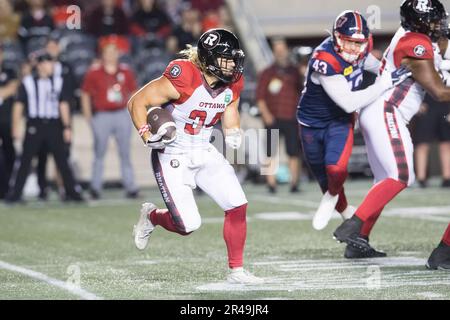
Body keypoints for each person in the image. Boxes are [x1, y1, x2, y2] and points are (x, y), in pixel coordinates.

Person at [128, 28, 263, 284]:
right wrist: (147, 135)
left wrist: (233, 131)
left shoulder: (233, 82)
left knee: (237, 204)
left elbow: (230, 106)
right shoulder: (184, 76)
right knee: (187, 226)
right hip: (172, 152)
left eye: (235, 58)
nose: (233, 64)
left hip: (204, 147)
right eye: (227, 58)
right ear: (210, 58)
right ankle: (152, 216)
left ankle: (237, 270)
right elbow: (136, 102)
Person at [333, 0, 450, 259]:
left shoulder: (410, 36)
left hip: (378, 111)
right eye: (434, 20)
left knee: (383, 180)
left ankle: (358, 241)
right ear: (420, 21)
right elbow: (440, 92)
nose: (438, 24)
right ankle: (352, 226)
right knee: (401, 176)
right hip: (387, 110)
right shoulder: (415, 42)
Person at [297, 9, 411, 258]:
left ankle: (333, 197)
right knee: (325, 178)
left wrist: (389, 71)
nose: (351, 48)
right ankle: (340, 203)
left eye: (357, 43)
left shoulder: (362, 48)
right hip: (311, 124)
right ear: (336, 37)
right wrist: (384, 83)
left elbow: (376, 66)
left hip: (339, 122)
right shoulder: (324, 58)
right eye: (347, 41)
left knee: (337, 169)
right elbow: (348, 102)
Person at [6, 51, 83, 203]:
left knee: (62, 160)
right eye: (48, 63)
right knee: (25, 161)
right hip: (35, 124)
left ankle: (72, 193)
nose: (51, 66)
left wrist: (67, 127)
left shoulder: (58, 81)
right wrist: (15, 127)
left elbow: (63, 104)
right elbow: (18, 105)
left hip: (54, 125)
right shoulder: (28, 82)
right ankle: (15, 195)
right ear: (40, 65)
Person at [80, 43, 139, 200]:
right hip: (102, 114)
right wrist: (88, 116)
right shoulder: (94, 73)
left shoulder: (126, 71)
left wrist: (134, 114)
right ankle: (95, 187)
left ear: (118, 54)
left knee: (125, 152)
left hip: (121, 113)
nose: (111, 55)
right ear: (103, 55)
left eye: (114, 52)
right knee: (99, 152)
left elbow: (134, 92)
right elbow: (85, 94)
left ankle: (131, 186)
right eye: (108, 52)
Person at [256, 38, 302, 193]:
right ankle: (271, 184)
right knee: (270, 152)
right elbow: (260, 97)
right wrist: (266, 115)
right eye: (277, 50)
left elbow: (301, 92)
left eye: (282, 50)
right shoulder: (267, 72)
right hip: (273, 117)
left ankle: (294, 183)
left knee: (293, 152)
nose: (280, 53)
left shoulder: (295, 71)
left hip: (290, 116)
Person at [412, 94, 450, 188]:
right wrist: (416, 103)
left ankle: (447, 179)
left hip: (446, 106)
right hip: (427, 106)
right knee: (422, 144)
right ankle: (421, 179)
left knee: (446, 144)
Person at [0, 42, 19, 199]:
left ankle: (7, 188)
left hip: (6, 120)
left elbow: (13, 88)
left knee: (9, 154)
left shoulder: (9, 71)